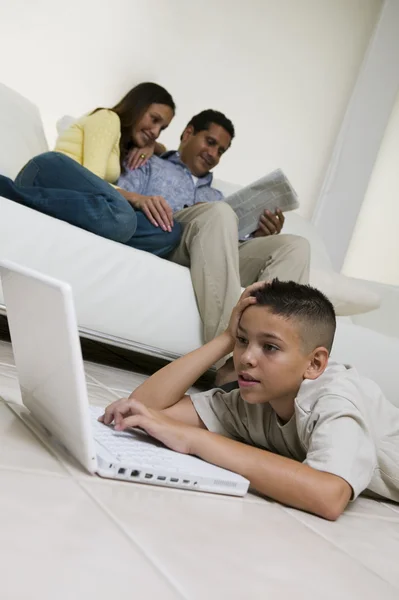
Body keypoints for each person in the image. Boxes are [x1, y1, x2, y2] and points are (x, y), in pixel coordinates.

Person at [99, 280, 399, 521]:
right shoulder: (252, 399)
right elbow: (145, 407)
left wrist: (196, 441)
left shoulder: (333, 399)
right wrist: (226, 337)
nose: (246, 359)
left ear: (314, 364)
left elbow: (329, 496)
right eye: (243, 342)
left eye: (269, 347)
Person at [118, 108, 310, 380]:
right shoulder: (149, 163)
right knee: (217, 212)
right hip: (171, 239)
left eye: (221, 150)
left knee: (295, 246)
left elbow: (229, 245)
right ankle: (234, 362)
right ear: (187, 134)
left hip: (214, 246)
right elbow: (115, 196)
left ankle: (274, 362)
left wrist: (261, 237)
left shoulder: (216, 194)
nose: (213, 154)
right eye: (210, 142)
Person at [0, 82, 182, 257]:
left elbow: (163, 148)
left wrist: (153, 146)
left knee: (169, 233)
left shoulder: (123, 145)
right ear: (138, 106)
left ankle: (99, 228)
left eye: (162, 128)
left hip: (75, 196)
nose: (155, 132)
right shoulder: (108, 118)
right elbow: (92, 175)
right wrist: (135, 198)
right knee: (123, 217)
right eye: (154, 119)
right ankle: (9, 191)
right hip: (48, 172)